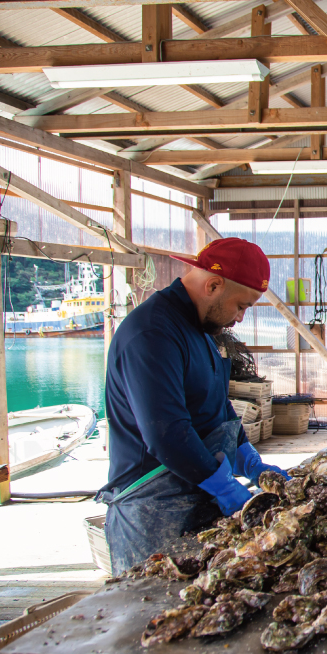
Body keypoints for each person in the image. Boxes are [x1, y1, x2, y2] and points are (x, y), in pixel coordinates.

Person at [99, 238, 289, 576]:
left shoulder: (202, 329)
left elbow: (217, 405)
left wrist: (247, 456)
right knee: (152, 611)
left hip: (196, 493)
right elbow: (165, 432)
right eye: (241, 306)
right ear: (213, 285)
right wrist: (220, 484)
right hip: (153, 506)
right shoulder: (152, 333)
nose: (240, 318)